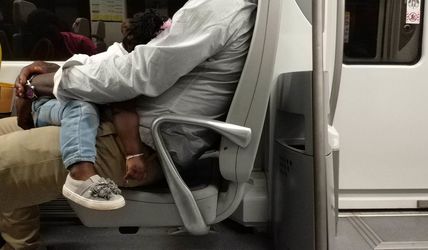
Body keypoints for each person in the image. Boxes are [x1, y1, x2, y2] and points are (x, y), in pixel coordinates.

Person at [0, 0, 256, 249]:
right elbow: (127, 62)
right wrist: (61, 71)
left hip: (133, 143)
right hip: (109, 125)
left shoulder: (219, 7)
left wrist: (50, 81)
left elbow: (135, 75)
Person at [18, 9, 166, 211]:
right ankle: (80, 174)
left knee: (87, 108)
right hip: (44, 106)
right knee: (83, 108)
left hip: (54, 102)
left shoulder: (119, 56)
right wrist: (134, 156)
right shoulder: (120, 67)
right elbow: (123, 109)